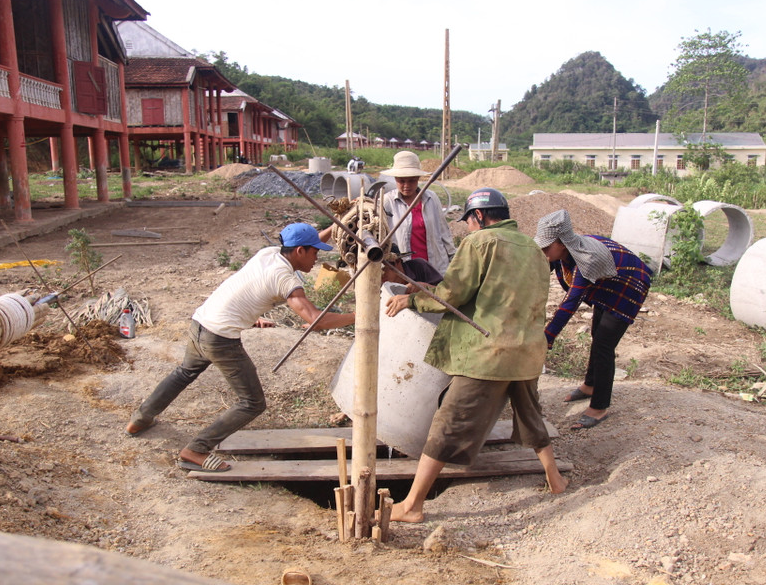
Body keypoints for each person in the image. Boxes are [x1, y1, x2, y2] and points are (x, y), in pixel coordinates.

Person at [385, 187, 568, 523]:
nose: (468, 227)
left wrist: (411, 299)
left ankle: (411, 506)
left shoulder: (479, 242)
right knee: (530, 414)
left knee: (449, 423)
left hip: (489, 353)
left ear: (480, 216)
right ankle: (555, 480)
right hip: (526, 351)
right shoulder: (533, 248)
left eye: (469, 220)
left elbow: (454, 292)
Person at [125, 223, 356, 472]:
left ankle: (140, 419)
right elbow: (315, 319)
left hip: (201, 322)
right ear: (300, 251)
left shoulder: (269, 253)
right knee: (252, 403)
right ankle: (196, 450)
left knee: (184, 373)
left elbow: (305, 241)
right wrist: (360, 314)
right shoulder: (284, 277)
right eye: (315, 252)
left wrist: (336, 226)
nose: (317, 258)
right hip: (220, 338)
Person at [534, 210, 652, 430]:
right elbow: (534, 274)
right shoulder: (560, 255)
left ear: (562, 243)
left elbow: (569, 304)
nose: (542, 251)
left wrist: (546, 338)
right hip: (606, 284)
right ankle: (590, 385)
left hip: (627, 286)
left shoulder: (584, 260)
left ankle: (600, 407)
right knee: (596, 335)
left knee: (603, 346)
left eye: (546, 246)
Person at [382, 151, 456, 275]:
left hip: (434, 267)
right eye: (402, 181)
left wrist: (453, 258)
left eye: (412, 180)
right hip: (405, 271)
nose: (407, 185)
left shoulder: (431, 198)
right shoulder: (387, 202)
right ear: (395, 179)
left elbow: (444, 232)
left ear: (418, 179)